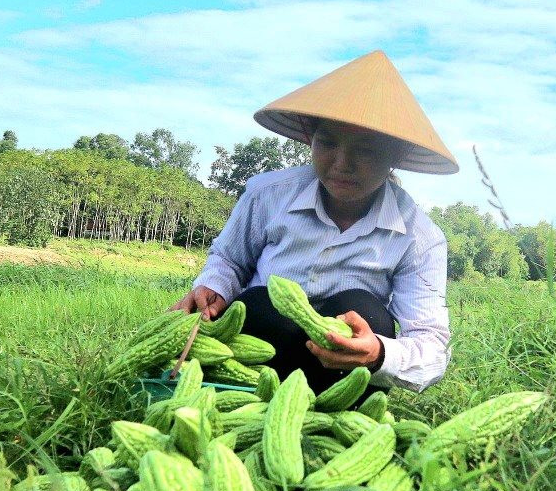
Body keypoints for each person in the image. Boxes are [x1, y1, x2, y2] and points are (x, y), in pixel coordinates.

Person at [171, 50, 457, 395]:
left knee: (364, 309)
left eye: (365, 149)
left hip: (342, 373)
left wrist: (379, 353)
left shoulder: (419, 236)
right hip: (263, 354)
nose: (342, 163)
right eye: (328, 143)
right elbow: (230, 260)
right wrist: (214, 287)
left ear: (394, 155)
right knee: (262, 304)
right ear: (310, 136)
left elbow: (430, 345)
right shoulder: (269, 194)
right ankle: (252, 401)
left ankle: (334, 412)